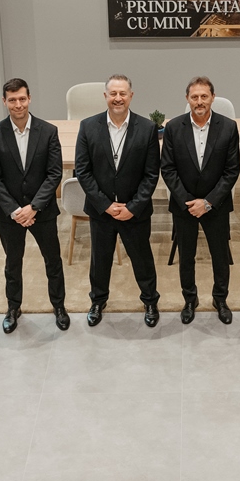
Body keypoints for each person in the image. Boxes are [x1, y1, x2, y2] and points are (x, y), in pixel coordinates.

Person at [74, 74, 161, 327]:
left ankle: (150, 301)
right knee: (100, 261)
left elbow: (151, 174)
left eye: (123, 93)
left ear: (131, 96)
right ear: (105, 96)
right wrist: (105, 205)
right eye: (113, 93)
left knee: (142, 260)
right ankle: (98, 301)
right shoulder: (88, 126)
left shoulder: (147, 128)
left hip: (135, 211)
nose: (118, 98)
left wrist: (133, 207)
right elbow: (83, 171)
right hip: (102, 211)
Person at [0, 78, 67, 334]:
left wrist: (34, 207)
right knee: (13, 263)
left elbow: (54, 173)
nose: (18, 104)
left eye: (22, 98)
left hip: (42, 210)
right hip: (10, 214)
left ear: (29, 98)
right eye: (12, 100)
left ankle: (59, 306)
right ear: (4, 101)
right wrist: (15, 210)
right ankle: (13, 308)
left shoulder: (48, 131)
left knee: (53, 261)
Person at [160, 76, 240, 325]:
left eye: (204, 96)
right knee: (186, 257)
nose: (199, 101)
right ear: (187, 99)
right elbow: (168, 169)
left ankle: (220, 299)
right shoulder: (174, 127)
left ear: (213, 97)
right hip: (184, 206)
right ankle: (189, 299)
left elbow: (231, 171)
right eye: (194, 97)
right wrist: (188, 202)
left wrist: (208, 202)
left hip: (216, 205)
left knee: (220, 256)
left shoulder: (228, 127)